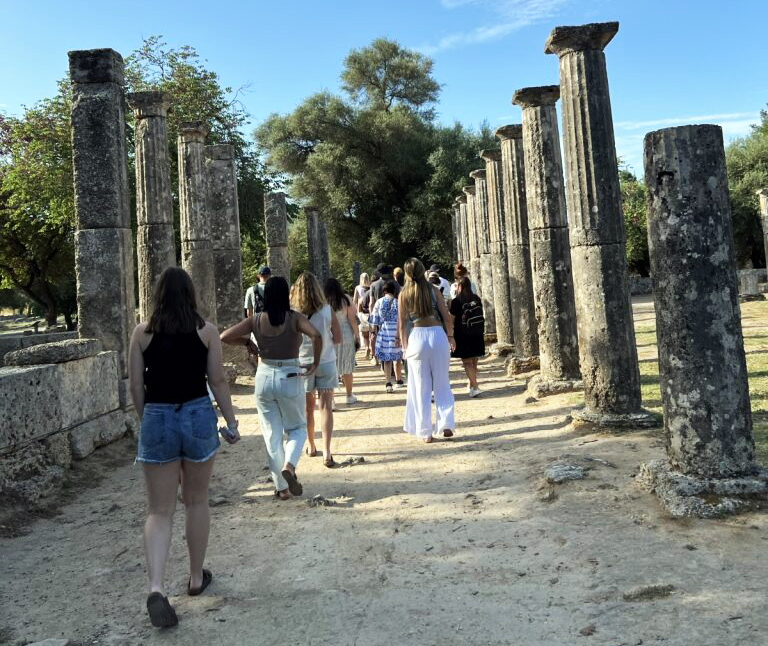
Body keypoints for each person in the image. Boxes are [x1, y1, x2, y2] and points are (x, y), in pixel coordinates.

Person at [128, 267, 240, 629]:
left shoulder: (141, 335)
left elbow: (135, 388)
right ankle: (194, 577)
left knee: (159, 511)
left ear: (157, 294)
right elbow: (218, 380)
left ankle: (157, 588)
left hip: (159, 414)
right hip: (195, 413)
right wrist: (231, 422)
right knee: (196, 500)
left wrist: (151, 419)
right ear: (190, 294)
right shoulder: (206, 332)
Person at [221, 276, 322, 500]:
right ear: (286, 295)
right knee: (296, 427)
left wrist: (247, 342)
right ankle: (290, 464)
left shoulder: (256, 320)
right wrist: (315, 362)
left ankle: (281, 488)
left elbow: (225, 336)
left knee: (271, 434)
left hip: (264, 375)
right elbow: (316, 334)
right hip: (290, 373)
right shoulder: (294, 318)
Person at [398, 258, 456, 443]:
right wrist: (450, 336)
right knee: (442, 382)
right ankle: (446, 423)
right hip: (437, 335)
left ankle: (425, 432)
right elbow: (446, 316)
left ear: (406, 274)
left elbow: (402, 324)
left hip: (417, 337)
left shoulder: (404, 294)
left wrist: (404, 346)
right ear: (423, 271)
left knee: (420, 387)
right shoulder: (434, 290)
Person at [291, 271, 341, 467]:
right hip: (326, 361)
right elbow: (338, 338)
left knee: (308, 408)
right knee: (326, 407)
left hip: (303, 363)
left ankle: (311, 445)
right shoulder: (327, 310)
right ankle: (327, 451)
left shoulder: (294, 313)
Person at [325, 277, 360, 405]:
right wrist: (357, 336)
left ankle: (331, 399)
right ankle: (349, 395)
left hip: (329, 334)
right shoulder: (345, 299)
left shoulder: (324, 301)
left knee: (331, 367)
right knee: (347, 366)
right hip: (345, 333)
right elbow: (352, 319)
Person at [449, 276, 485, 397]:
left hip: (462, 334)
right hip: (477, 333)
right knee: (474, 360)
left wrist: (449, 334)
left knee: (467, 362)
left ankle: (475, 386)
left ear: (459, 287)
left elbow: (451, 320)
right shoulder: (476, 298)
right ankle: (471, 384)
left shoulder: (456, 301)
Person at [369, 280, 403, 393]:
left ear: (384, 291)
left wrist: (373, 332)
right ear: (394, 291)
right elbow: (402, 319)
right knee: (397, 358)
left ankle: (388, 383)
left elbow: (374, 318)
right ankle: (398, 380)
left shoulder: (379, 302)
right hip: (396, 331)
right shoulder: (398, 302)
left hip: (384, 331)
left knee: (386, 359)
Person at [353, 272, 372, 359]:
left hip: (361, 312)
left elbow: (354, 301)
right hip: (371, 311)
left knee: (364, 333)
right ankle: (372, 349)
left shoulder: (358, 288)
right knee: (372, 332)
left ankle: (367, 348)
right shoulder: (371, 287)